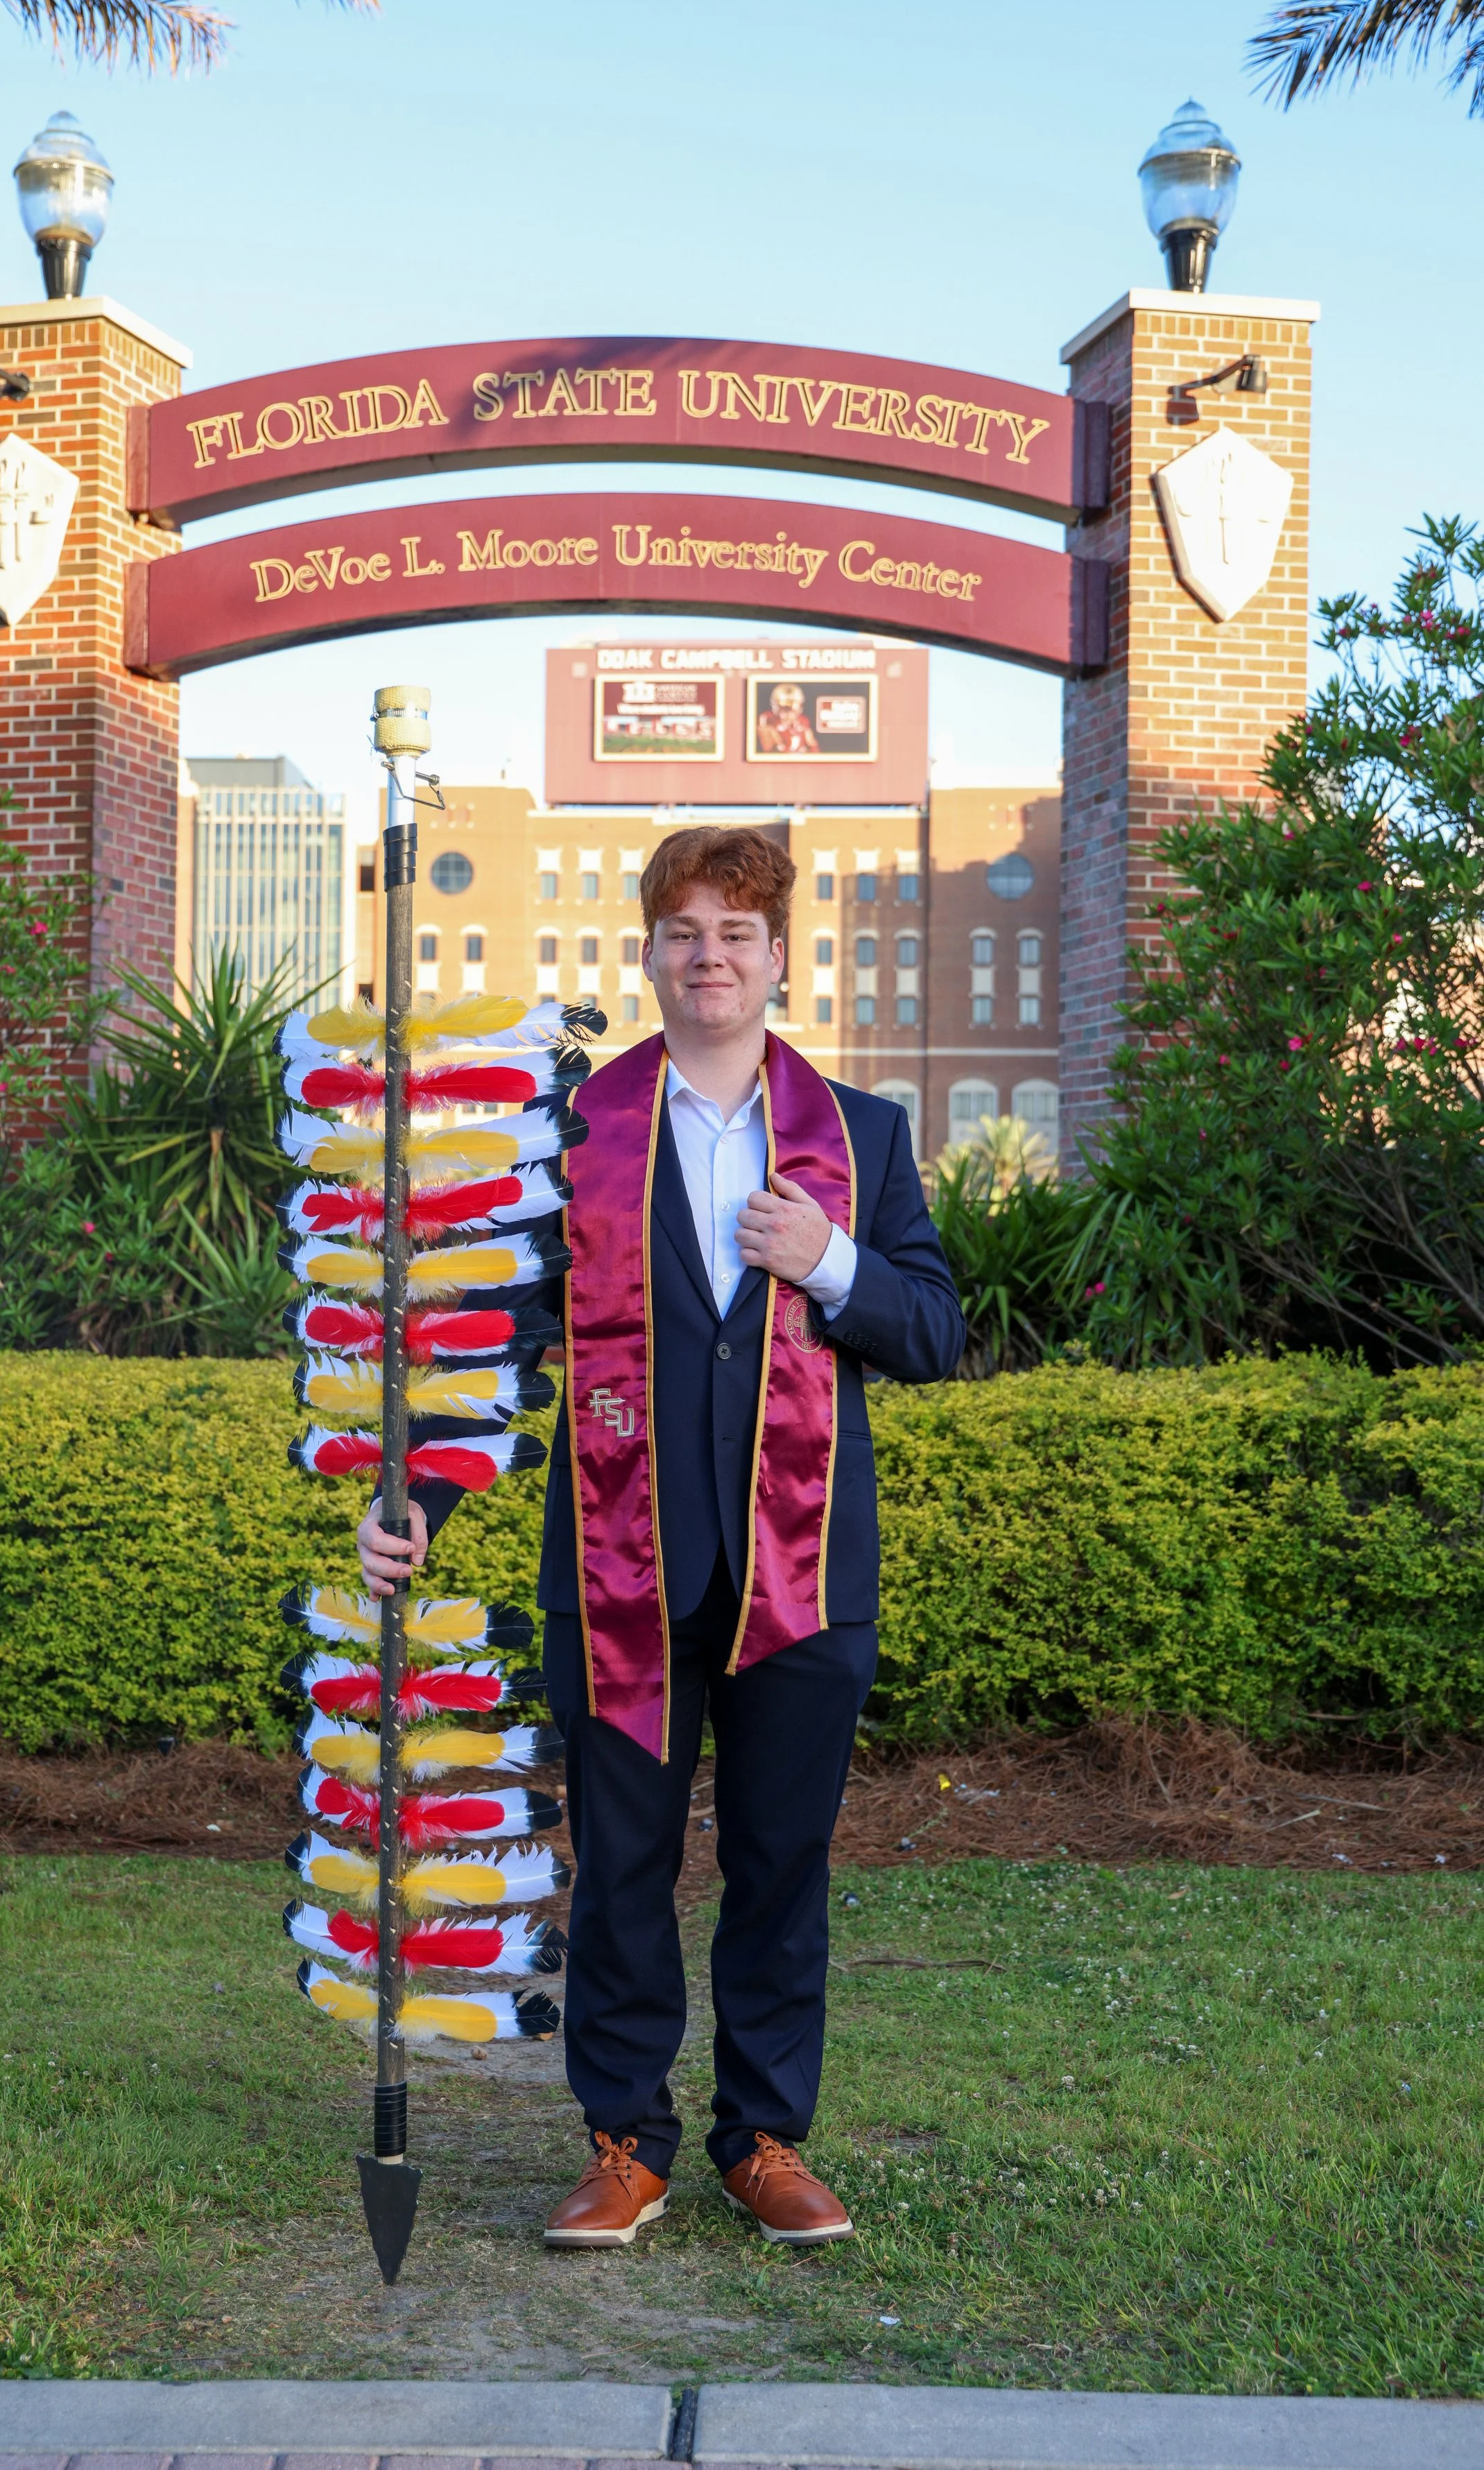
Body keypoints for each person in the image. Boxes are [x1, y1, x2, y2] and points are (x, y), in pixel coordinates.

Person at [359, 827, 964, 2251]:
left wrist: (824, 1260)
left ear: (777, 955)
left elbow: (935, 1329)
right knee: (621, 1863)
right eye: (683, 928)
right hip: (613, 1569)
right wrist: (418, 1502)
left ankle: (761, 2139)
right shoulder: (570, 1132)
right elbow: (501, 1345)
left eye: (737, 931)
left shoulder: (859, 1135)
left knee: (779, 1864)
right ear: (648, 949)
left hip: (803, 1572)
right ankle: (624, 2141)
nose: (710, 954)